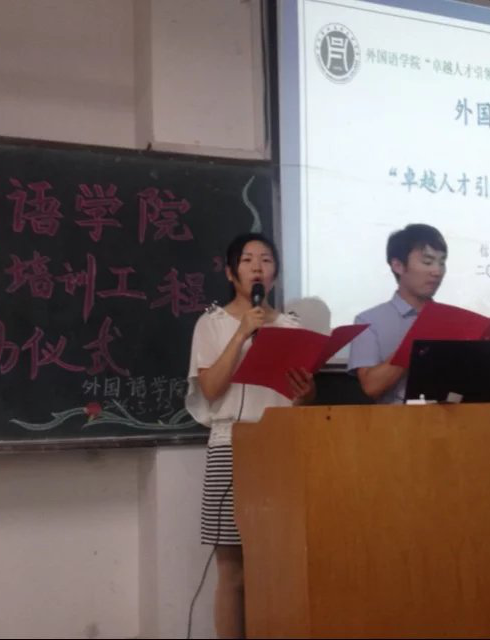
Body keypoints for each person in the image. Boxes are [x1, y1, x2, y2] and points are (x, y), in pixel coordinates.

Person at [185, 232, 315, 639]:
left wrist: (306, 394)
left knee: (278, 564)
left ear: (275, 273)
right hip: (230, 447)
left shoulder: (292, 327)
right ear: (230, 272)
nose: (257, 266)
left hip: (279, 448)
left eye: (266, 260)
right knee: (233, 571)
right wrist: (242, 333)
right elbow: (210, 389)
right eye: (247, 260)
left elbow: (299, 403)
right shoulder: (212, 324)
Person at [348, 223, 448, 403]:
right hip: (396, 419)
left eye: (442, 262)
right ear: (398, 265)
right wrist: (416, 339)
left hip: (452, 417)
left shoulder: (450, 319)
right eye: (427, 262)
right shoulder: (368, 321)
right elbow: (371, 387)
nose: (437, 271)